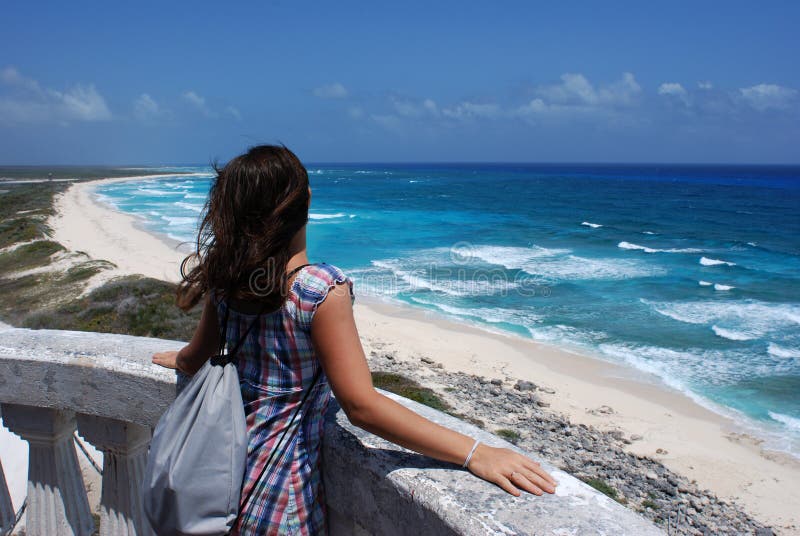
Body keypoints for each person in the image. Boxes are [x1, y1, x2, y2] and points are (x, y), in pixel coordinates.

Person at [152, 145, 557, 535]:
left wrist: (180, 360)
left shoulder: (227, 282)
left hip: (216, 484)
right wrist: (476, 452)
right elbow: (361, 406)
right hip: (278, 498)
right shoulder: (318, 289)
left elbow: (195, 358)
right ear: (305, 200)